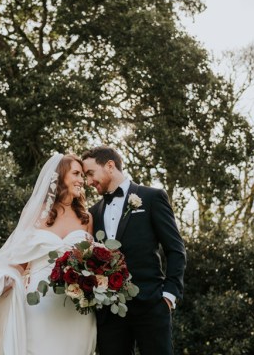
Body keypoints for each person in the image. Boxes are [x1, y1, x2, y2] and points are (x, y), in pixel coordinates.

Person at [0, 154, 96, 355]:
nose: (81, 180)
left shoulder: (86, 217)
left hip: (76, 304)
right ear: (60, 176)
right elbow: (19, 259)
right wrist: (5, 280)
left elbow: (91, 260)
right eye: (76, 173)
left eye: (83, 175)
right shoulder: (37, 213)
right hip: (40, 301)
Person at [82, 146, 186, 355]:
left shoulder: (152, 197)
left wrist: (169, 295)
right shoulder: (93, 212)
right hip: (109, 313)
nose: (88, 181)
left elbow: (175, 249)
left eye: (90, 173)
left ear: (110, 166)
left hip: (151, 305)